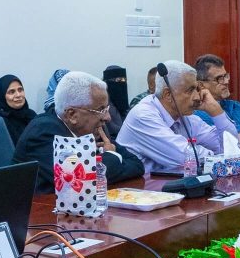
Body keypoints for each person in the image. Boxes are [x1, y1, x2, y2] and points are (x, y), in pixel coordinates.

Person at [14, 71, 144, 194]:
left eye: (106, 109)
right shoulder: (42, 132)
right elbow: (81, 180)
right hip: (40, 208)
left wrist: (101, 164)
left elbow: (137, 164)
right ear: (72, 115)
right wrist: (111, 154)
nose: (107, 117)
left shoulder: (91, 128)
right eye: (101, 110)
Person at [116, 60, 239, 173]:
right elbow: (184, 157)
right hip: (137, 188)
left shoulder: (186, 117)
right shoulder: (143, 115)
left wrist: (216, 111)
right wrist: (217, 157)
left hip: (168, 185)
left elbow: (233, 148)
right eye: (190, 90)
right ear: (168, 94)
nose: (197, 97)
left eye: (197, 89)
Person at [194, 54, 240, 144]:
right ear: (201, 85)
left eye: (226, 76)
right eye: (219, 78)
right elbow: (227, 144)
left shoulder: (235, 106)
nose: (226, 81)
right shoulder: (198, 115)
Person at [0, 74, 36, 146]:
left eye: (20, 90)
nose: (18, 95)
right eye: (12, 92)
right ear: (2, 96)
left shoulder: (31, 115)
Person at [102, 65, 129, 136]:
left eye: (124, 80)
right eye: (118, 80)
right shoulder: (103, 105)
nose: (122, 83)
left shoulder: (124, 105)